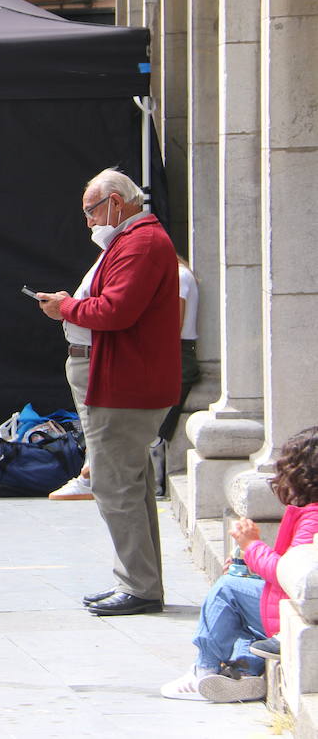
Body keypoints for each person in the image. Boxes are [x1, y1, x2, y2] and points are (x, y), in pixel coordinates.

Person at [34, 169, 179, 615]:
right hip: (118, 376)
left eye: (91, 211)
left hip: (121, 382)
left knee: (116, 486)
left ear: (116, 202)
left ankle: (138, 586)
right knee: (128, 486)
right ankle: (140, 582)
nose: (90, 222)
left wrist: (66, 307)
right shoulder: (134, 241)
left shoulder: (140, 243)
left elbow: (116, 311)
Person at [160, 427, 318, 702]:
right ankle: (244, 673)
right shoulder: (309, 513)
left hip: (287, 610)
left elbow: (290, 574)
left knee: (227, 591)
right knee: (244, 620)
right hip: (280, 607)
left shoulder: (313, 517)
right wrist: (248, 563)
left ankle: (204, 668)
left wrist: (251, 546)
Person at [49, 254, 202, 501]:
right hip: (161, 353)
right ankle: (93, 473)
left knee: (125, 422)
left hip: (171, 354)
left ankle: (93, 475)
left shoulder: (177, 276)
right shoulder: (172, 275)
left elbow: (170, 326)